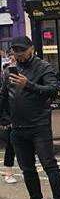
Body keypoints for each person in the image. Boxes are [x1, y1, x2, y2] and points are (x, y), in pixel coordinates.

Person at [0, 36, 60, 199]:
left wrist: (28, 85)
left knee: (49, 165)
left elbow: (53, 90)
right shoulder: (9, 71)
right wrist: (3, 117)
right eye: (15, 51)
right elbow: (3, 95)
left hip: (39, 125)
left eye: (22, 51)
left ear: (31, 49)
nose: (19, 55)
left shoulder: (43, 67)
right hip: (18, 127)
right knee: (27, 168)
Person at [0, 53, 17, 184]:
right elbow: (4, 97)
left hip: (20, 114)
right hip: (10, 114)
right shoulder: (7, 73)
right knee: (11, 144)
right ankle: (8, 171)